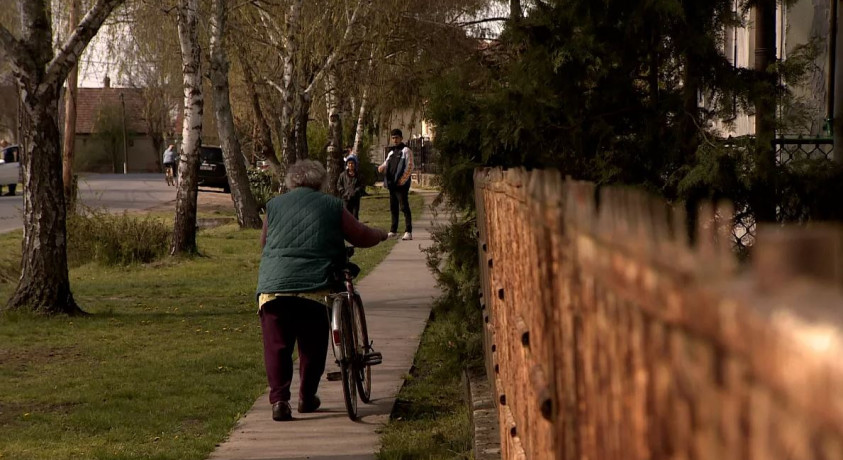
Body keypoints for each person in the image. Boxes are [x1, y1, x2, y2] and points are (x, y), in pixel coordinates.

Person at [256, 159, 388, 422]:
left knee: (276, 346)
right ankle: (307, 396)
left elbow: (264, 244)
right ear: (321, 182)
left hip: (274, 288)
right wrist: (381, 234)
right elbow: (360, 235)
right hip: (314, 287)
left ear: (291, 182)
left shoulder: (273, 206)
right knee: (312, 345)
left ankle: (280, 400)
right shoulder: (332, 205)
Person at [378, 129, 414, 240]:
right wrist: (381, 167)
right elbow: (385, 163)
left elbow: (410, 166)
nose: (395, 140)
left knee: (404, 207)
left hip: (401, 185)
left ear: (401, 138)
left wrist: (402, 180)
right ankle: (393, 230)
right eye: (393, 138)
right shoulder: (391, 152)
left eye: (397, 138)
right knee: (393, 207)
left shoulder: (406, 151)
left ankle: (408, 231)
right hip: (391, 185)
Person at [336, 154, 365, 219]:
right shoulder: (343, 175)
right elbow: (339, 184)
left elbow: (362, 186)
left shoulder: (359, 176)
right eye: (349, 163)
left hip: (355, 200)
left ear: (355, 164)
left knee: (354, 217)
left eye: (352, 163)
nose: (351, 165)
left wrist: (356, 191)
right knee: (346, 217)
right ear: (347, 164)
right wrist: (343, 191)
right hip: (345, 199)